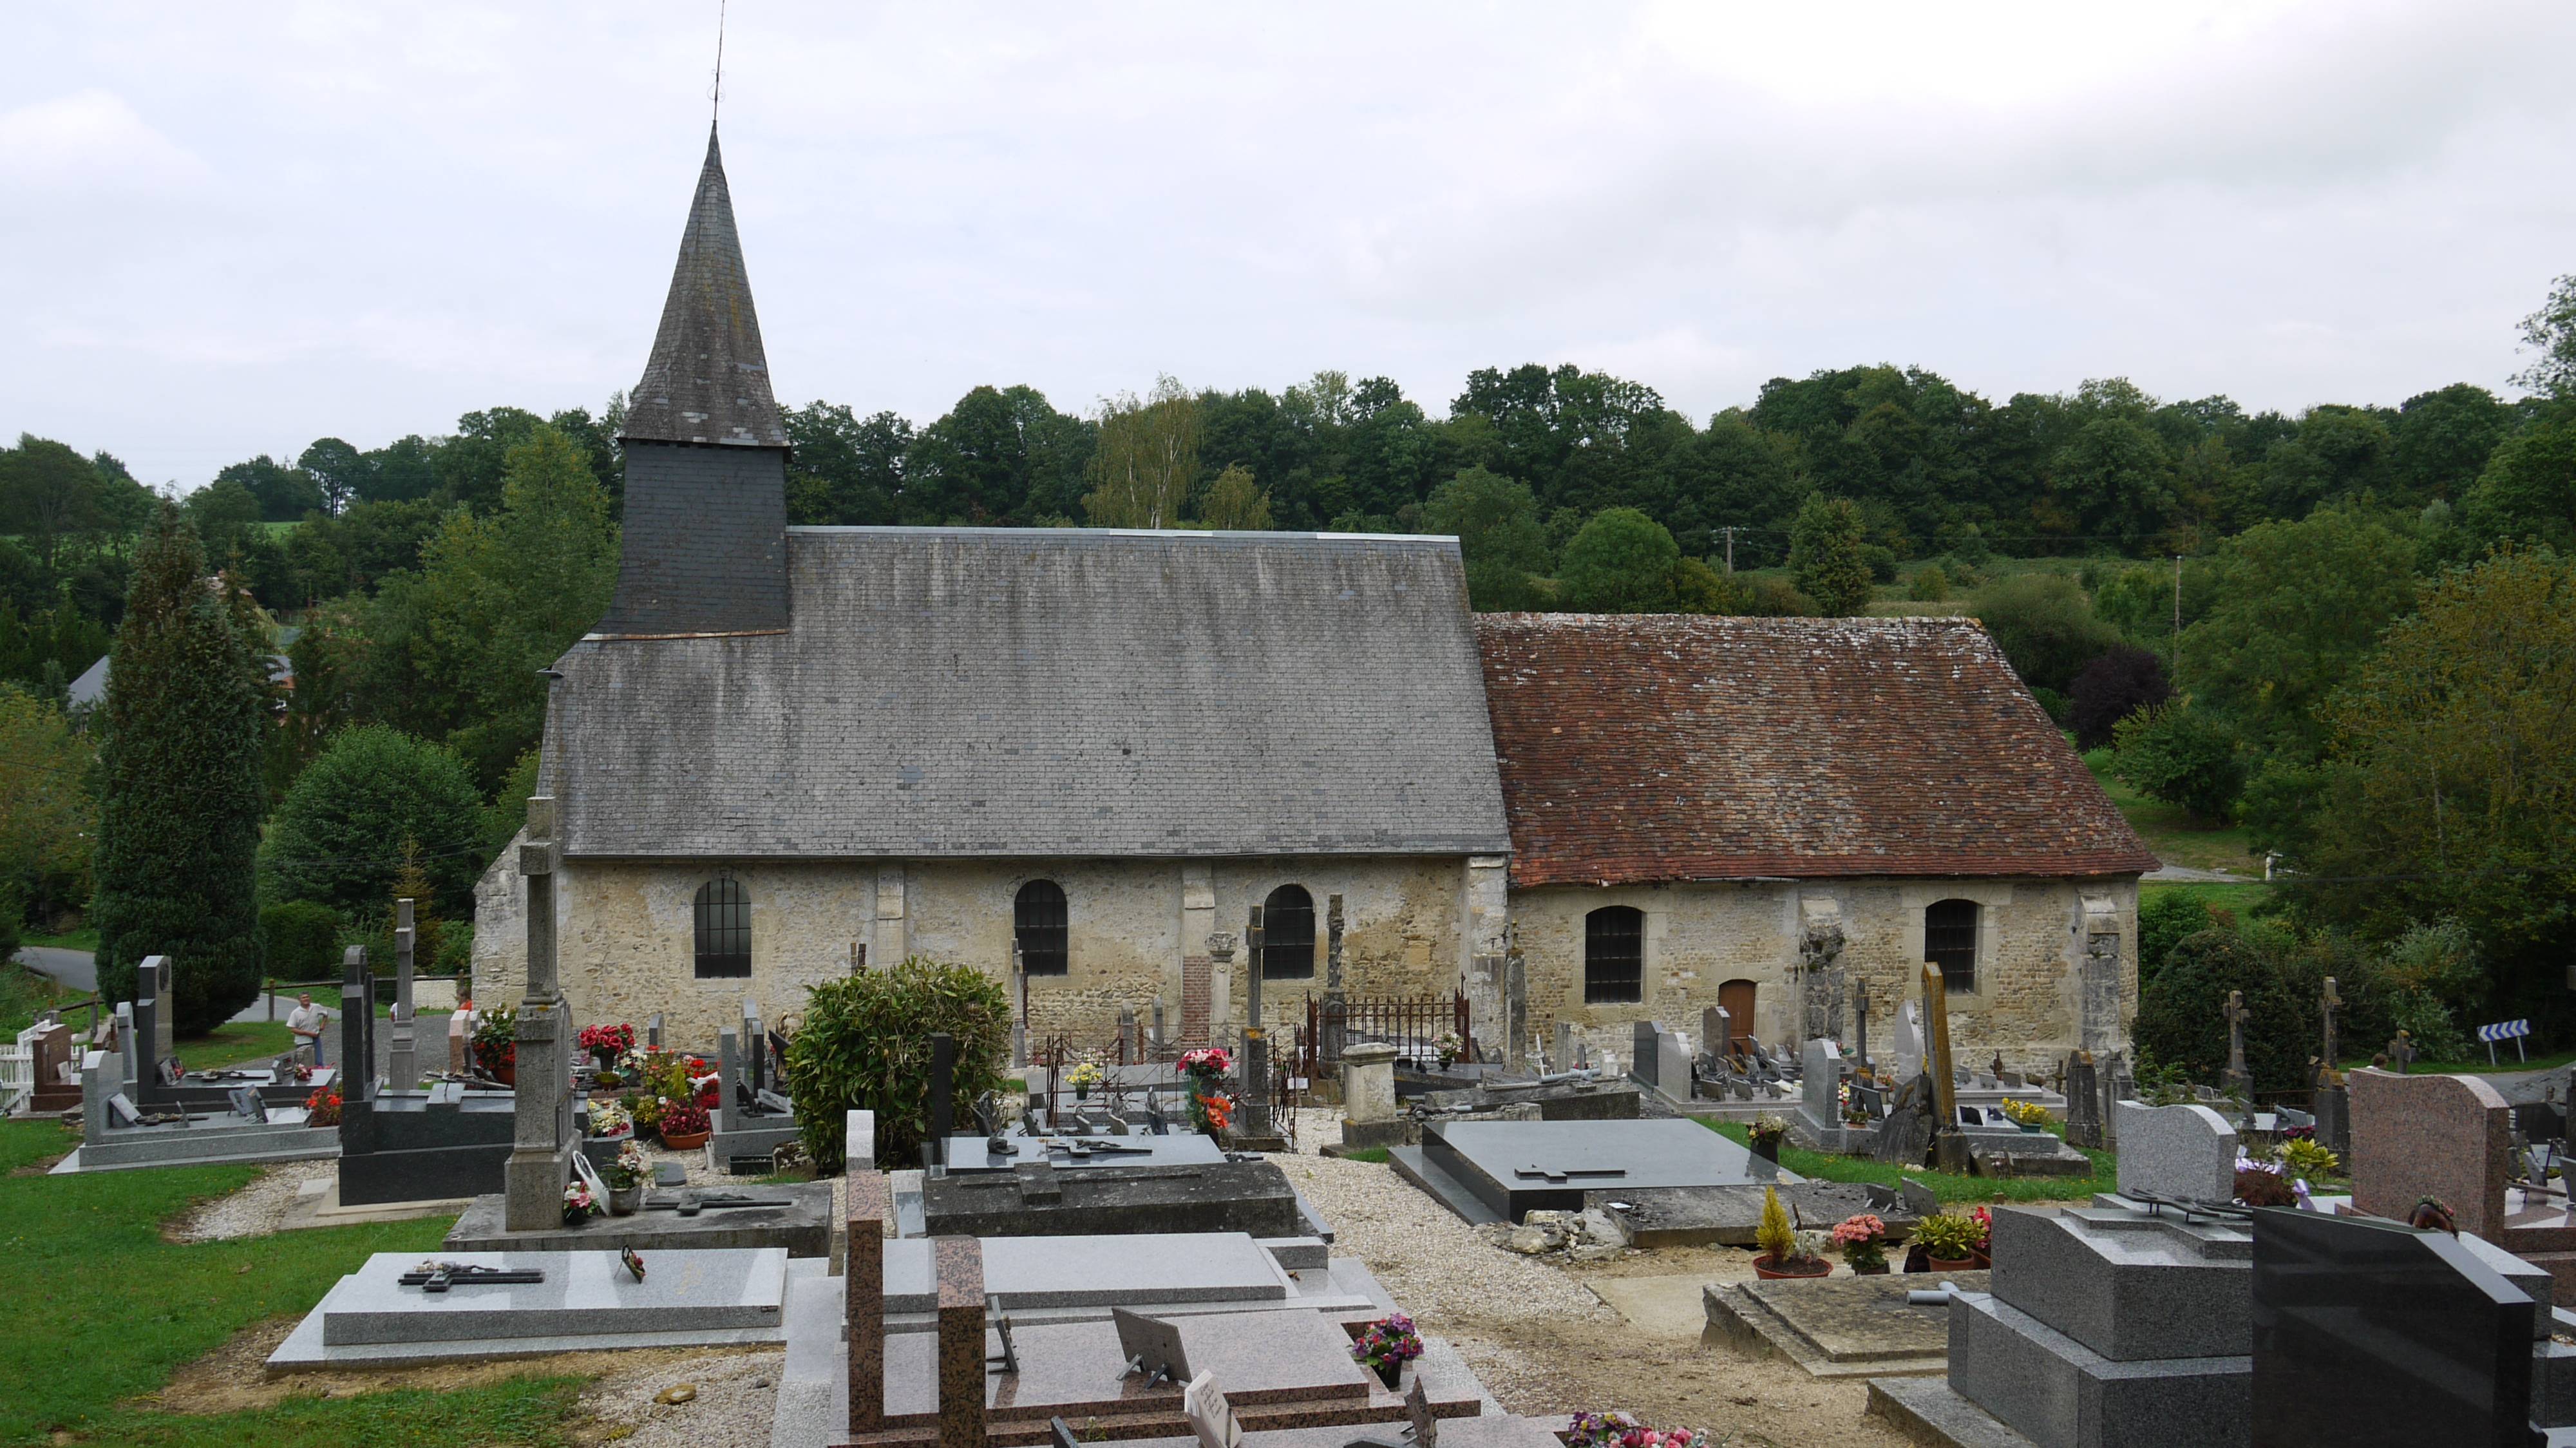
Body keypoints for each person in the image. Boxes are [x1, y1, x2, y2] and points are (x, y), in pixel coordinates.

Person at [286, 991, 330, 1067]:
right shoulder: (296, 1013)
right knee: (304, 1063)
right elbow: (293, 1029)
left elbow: (326, 1014)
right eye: (303, 998)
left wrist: (323, 1025)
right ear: (300, 1000)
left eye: (307, 997)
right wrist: (307, 1033)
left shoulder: (316, 1007)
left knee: (318, 1062)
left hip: (315, 1039)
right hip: (302, 1041)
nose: (306, 999)